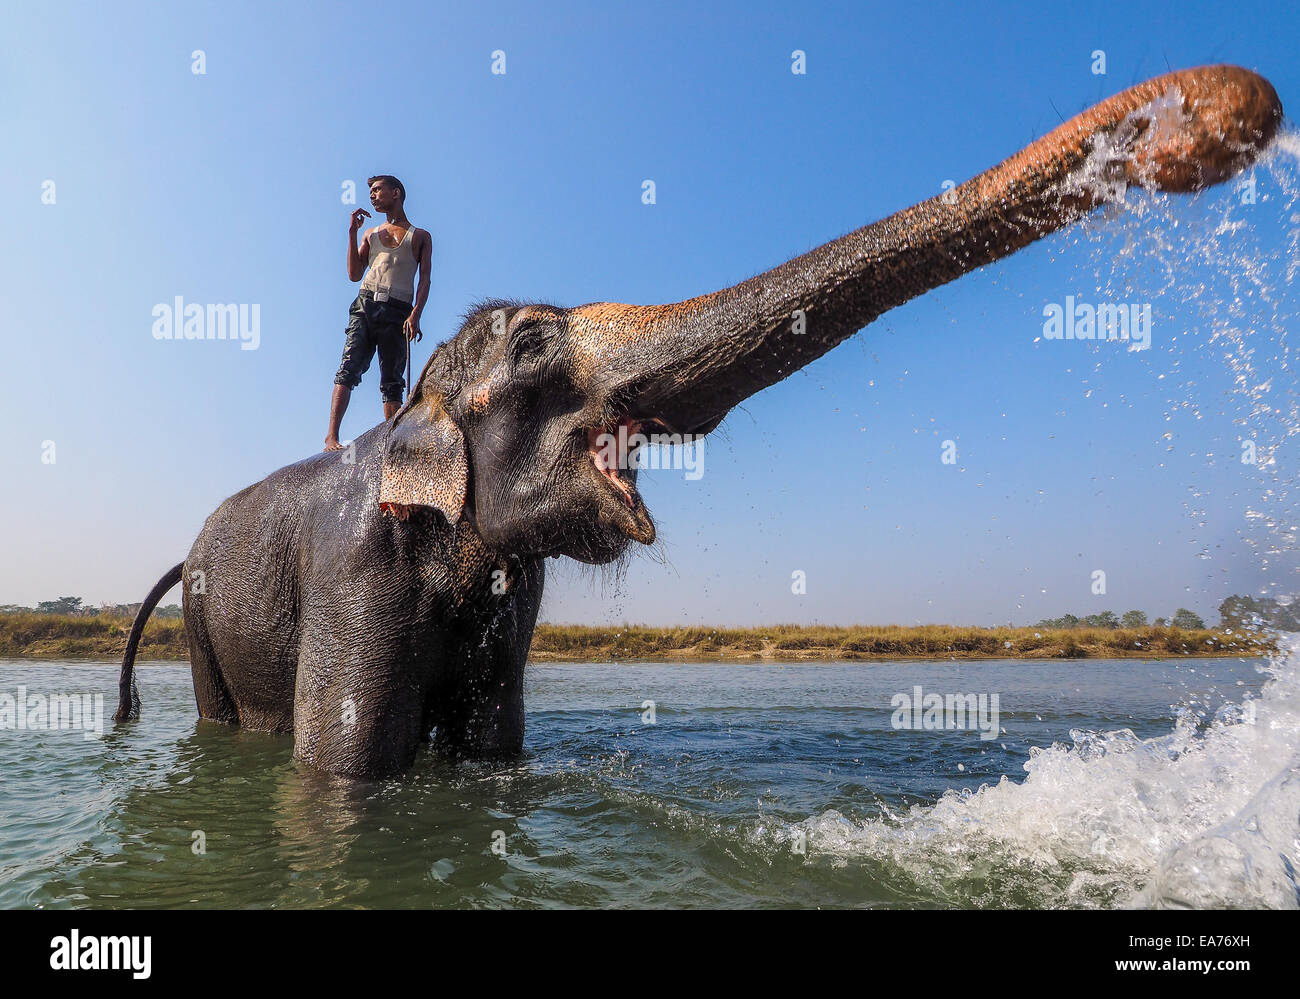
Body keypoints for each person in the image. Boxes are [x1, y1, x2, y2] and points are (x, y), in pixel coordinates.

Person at [324, 175, 432, 451]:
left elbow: (425, 280)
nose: (371, 195)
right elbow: (353, 274)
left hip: (398, 310)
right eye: (370, 191)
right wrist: (352, 232)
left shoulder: (420, 236)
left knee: (392, 381)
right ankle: (331, 437)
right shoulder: (370, 234)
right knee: (349, 367)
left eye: (377, 190)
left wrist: (416, 313)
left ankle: (392, 442)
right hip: (366, 305)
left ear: (395, 193)